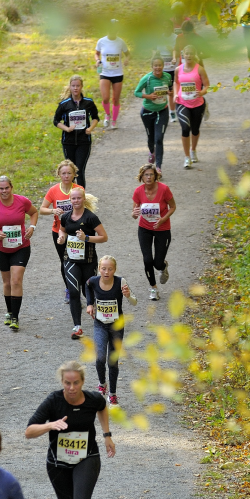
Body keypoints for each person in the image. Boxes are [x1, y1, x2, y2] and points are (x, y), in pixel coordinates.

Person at [25, 361, 115, 499]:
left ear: (82, 382)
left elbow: (102, 407)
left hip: (87, 457)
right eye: (67, 383)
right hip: (57, 462)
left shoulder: (93, 399)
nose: (72, 388)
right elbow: (29, 431)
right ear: (62, 382)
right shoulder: (53, 401)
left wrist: (107, 435)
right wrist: (50, 425)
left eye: (76, 383)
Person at [0, 176, 39, 331]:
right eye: (1, 188)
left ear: (11, 188)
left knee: (16, 281)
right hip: (1, 249)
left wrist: (32, 227)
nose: (4, 191)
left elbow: (34, 213)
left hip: (21, 247)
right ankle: (9, 311)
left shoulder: (22, 201)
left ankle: (15, 317)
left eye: (7, 188)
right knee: (7, 283)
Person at [85, 255, 137, 406]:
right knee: (100, 358)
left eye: (110, 269)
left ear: (115, 270)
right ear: (99, 269)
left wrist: (128, 296)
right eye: (103, 268)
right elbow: (87, 286)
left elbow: (134, 301)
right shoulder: (93, 280)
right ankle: (102, 383)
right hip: (100, 324)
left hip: (116, 327)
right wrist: (89, 304)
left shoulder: (121, 282)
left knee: (112, 361)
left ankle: (113, 394)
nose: (106, 272)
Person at [57, 187, 107, 340]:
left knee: (88, 292)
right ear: (70, 200)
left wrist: (86, 238)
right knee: (73, 291)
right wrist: (61, 237)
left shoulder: (91, 217)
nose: (76, 201)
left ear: (84, 199)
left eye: (79, 198)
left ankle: (103, 318)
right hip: (70, 259)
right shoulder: (65, 217)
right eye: (73, 199)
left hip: (88, 261)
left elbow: (104, 237)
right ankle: (77, 327)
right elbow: (62, 230)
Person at [40, 160, 83, 304]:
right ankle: (69, 290)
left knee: (77, 259)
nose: (66, 176)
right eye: (63, 173)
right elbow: (42, 209)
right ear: (59, 174)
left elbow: (87, 208)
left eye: (69, 173)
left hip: (76, 232)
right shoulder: (53, 190)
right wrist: (53, 210)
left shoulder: (78, 189)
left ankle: (79, 288)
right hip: (58, 231)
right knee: (65, 261)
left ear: (74, 174)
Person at [131, 164, 176, 300]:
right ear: (142, 177)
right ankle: (153, 288)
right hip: (144, 229)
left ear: (156, 176)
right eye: (146, 175)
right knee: (147, 259)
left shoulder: (164, 189)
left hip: (162, 229)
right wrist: (134, 213)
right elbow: (134, 213)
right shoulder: (138, 191)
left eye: (151, 174)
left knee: (157, 263)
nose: (149, 177)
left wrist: (163, 219)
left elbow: (173, 207)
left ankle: (163, 266)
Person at [53, 75, 99, 189]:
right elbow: (56, 121)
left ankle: (82, 198)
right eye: (73, 86)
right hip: (68, 141)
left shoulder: (88, 102)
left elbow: (95, 118)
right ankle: (70, 197)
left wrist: (90, 128)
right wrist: (66, 129)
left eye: (78, 86)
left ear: (82, 87)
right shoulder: (64, 104)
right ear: (70, 87)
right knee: (70, 171)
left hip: (84, 141)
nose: (75, 88)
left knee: (79, 170)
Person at [133, 56, 172, 177]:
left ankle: (158, 167)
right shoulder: (147, 78)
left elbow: (170, 88)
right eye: (155, 65)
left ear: (163, 66)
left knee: (159, 139)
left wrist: (170, 93)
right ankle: (152, 151)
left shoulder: (167, 76)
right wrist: (149, 96)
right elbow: (136, 92)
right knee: (151, 139)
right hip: (147, 112)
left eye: (160, 65)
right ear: (152, 67)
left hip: (162, 111)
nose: (158, 68)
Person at [174, 45, 210, 169]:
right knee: (185, 128)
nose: (188, 56)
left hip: (197, 103)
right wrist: (175, 94)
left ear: (194, 55)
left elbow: (207, 85)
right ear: (183, 55)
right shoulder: (178, 69)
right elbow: (176, 82)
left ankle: (193, 150)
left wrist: (202, 92)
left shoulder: (200, 69)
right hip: (182, 102)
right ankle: (187, 157)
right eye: (186, 53)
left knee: (195, 130)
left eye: (191, 53)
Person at [94, 19, 129, 129]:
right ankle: (107, 115)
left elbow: (128, 54)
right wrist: (97, 60)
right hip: (105, 72)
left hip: (117, 73)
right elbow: (96, 53)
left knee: (115, 99)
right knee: (105, 98)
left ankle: (114, 120)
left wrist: (127, 59)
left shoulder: (120, 42)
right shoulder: (101, 41)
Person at [156, 20, 179, 122]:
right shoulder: (159, 38)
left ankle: (172, 112)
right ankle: (161, 112)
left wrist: (172, 52)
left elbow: (178, 52)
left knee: (170, 91)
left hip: (172, 68)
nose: (167, 28)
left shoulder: (176, 38)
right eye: (165, 26)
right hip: (162, 68)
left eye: (169, 26)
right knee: (160, 91)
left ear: (172, 27)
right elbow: (156, 52)